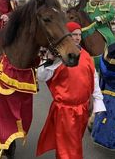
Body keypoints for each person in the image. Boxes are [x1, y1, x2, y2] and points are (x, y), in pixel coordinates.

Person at [36, 21, 106, 159]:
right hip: (65, 111)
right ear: (67, 35)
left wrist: (98, 103)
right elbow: (41, 76)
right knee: (69, 148)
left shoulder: (86, 55)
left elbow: (94, 79)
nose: (78, 37)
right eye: (74, 34)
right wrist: (49, 60)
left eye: (79, 34)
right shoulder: (59, 57)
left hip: (83, 110)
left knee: (72, 144)